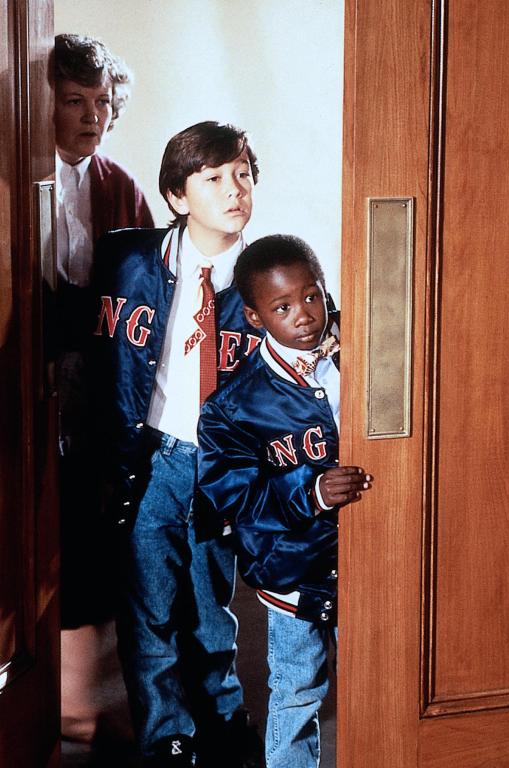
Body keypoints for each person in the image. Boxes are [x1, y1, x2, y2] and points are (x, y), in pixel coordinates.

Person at [91, 121, 264, 767]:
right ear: (176, 195)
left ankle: (223, 722)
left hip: (221, 467)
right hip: (152, 460)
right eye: (213, 178)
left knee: (211, 609)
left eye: (242, 174)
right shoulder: (128, 261)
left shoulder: (266, 278)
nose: (234, 189)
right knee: (150, 610)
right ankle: (168, 737)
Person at [197, 234, 372, 768]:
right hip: (292, 574)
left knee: (376, 686)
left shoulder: (364, 355)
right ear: (254, 318)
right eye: (283, 307)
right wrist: (310, 493)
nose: (304, 315)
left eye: (312, 296)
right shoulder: (233, 406)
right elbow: (235, 499)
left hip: (367, 561)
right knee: (297, 693)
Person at [51, 33, 154, 742]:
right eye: (74, 101)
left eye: (102, 103)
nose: (92, 116)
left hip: (94, 384)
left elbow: (139, 291)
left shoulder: (119, 185)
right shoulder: (18, 175)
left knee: (94, 527)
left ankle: (83, 701)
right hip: (29, 374)